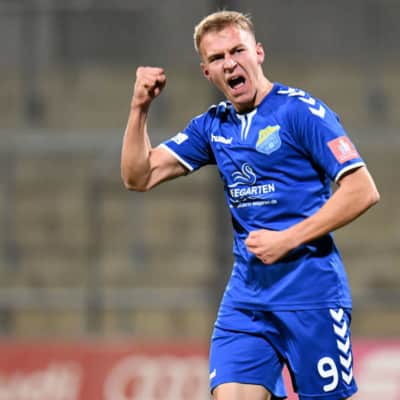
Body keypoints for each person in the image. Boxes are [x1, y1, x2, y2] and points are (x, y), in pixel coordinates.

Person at [120, 10, 380, 400]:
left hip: (311, 296)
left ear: (258, 53)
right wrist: (139, 108)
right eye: (217, 58)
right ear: (207, 72)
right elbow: (138, 176)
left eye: (237, 51)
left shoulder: (300, 112)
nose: (230, 63)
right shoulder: (213, 126)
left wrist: (287, 239)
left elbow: (362, 189)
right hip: (248, 300)